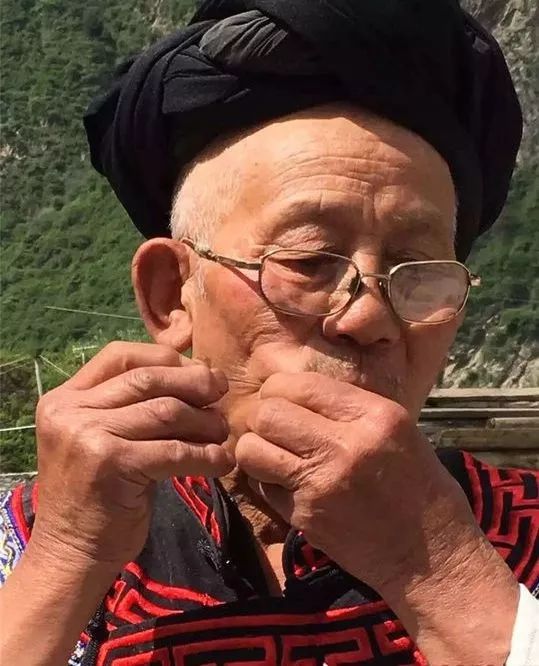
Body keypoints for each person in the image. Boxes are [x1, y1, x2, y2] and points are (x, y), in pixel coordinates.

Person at [0, 1, 537, 664]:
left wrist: (437, 567)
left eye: (417, 272)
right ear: (172, 295)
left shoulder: (523, 536)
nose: (369, 317)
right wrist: (68, 555)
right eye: (309, 261)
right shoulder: (40, 539)